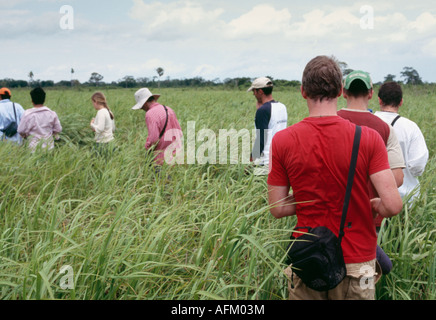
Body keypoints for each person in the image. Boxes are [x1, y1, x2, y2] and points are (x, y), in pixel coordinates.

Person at [267, 56, 403, 300]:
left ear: (302, 91)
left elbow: (277, 207)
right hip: (357, 260)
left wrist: (311, 199)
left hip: (308, 259)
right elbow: (393, 205)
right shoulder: (368, 138)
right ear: (341, 91)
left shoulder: (283, 140)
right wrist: (374, 204)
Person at [338, 70, 405, 233]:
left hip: (332, 218)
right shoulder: (384, 128)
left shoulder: (328, 121)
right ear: (371, 93)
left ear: (344, 93)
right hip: (369, 217)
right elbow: (397, 178)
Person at [375, 82, 429, 203]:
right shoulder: (411, 127)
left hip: (374, 198)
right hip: (406, 199)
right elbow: (418, 166)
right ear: (401, 102)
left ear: (379, 100)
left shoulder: (368, 124)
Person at [247, 77, 288, 175]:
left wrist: (251, 161)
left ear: (260, 91)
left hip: (265, 162)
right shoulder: (282, 107)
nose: (253, 94)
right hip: (280, 160)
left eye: (254, 91)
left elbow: (261, 138)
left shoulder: (263, 111)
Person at [132, 88, 182, 165]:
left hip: (161, 159)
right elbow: (179, 132)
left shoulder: (150, 114)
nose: (141, 108)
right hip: (176, 154)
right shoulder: (168, 109)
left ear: (145, 103)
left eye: (141, 106)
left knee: (159, 176)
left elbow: (154, 139)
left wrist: (147, 147)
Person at [17, 87, 62, 152]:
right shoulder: (52, 113)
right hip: (49, 148)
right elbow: (58, 129)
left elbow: (21, 130)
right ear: (44, 100)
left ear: (32, 100)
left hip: (33, 148)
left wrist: (26, 135)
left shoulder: (27, 114)